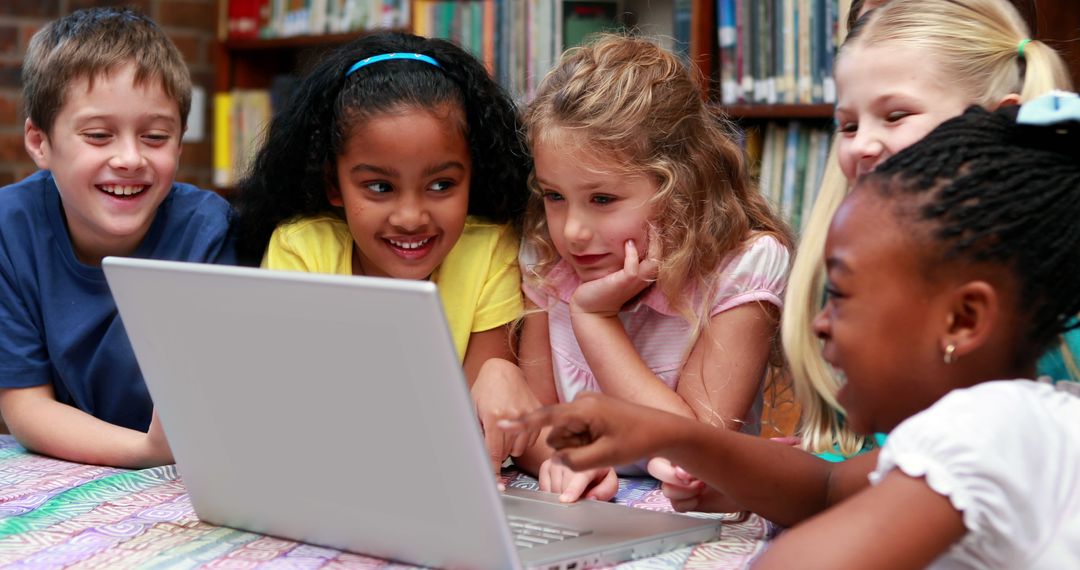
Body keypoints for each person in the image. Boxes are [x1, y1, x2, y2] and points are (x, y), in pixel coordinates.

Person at [505, 102, 1080, 568]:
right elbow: (825, 488)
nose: (820, 325)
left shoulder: (987, 430)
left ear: (962, 321)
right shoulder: (1002, 421)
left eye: (844, 296)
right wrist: (699, 457)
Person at [474, 34, 793, 502]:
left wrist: (596, 319)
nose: (574, 231)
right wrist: (568, 459)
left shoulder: (742, 266)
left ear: (678, 186)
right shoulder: (547, 258)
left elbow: (696, 451)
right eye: (555, 196)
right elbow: (535, 423)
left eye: (603, 199)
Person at [781, 0, 1073, 463]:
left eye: (896, 116)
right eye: (848, 125)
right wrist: (779, 471)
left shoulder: (1055, 283)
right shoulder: (856, 262)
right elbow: (861, 459)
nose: (862, 145)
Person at [230, 32, 532, 438]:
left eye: (441, 185)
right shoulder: (301, 248)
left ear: (472, 179)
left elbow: (473, 423)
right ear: (334, 185)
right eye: (380, 187)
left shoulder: (490, 250)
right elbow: (288, 404)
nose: (410, 217)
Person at [0, 7, 235, 468]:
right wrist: (148, 451)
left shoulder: (209, 231)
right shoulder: (10, 228)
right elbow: (24, 407)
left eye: (154, 136)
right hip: (84, 469)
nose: (129, 158)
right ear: (39, 142)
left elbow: (215, 406)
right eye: (99, 135)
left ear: (180, 142)